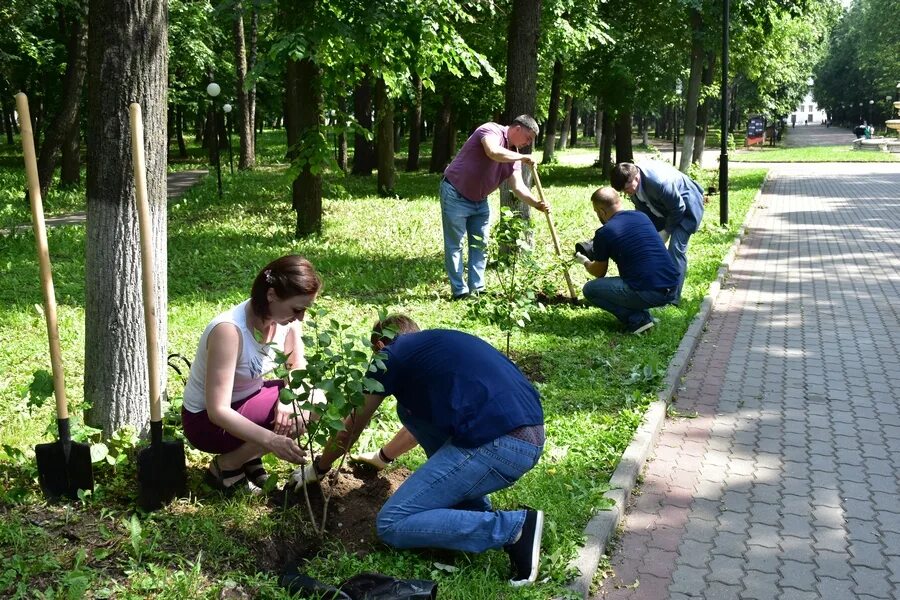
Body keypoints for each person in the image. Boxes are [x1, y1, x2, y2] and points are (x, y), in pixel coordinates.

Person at [293, 315, 546, 586]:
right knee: (408, 408)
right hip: (530, 433)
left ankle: (513, 529)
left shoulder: (389, 356)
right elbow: (417, 426)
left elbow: (351, 428)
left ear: (380, 345)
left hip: (499, 444)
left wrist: (317, 468)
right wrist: (382, 457)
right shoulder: (436, 345)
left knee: (391, 523)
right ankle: (472, 512)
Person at [181, 255, 321, 493]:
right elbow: (218, 412)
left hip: (248, 402)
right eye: (297, 309)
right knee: (306, 408)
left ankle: (246, 457)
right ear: (272, 295)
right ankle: (226, 466)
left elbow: (297, 368)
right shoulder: (229, 331)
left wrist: (289, 398)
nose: (301, 317)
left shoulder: (286, 321)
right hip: (206, 421)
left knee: (314, 400)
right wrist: (271, 441)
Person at [440, 115, 550, 299]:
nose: (527, 144)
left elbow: (518, 187)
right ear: (517, 128)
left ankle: (478, 288)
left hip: (480, 200)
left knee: (480, 244)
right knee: (455, 244)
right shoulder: (491, 130)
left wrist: (537, 204)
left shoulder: (514, 155)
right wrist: (522, 157)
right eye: (528, 138)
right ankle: (459, 291)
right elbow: (492, 151)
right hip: (455, 193)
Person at [574, 187, 680, 334]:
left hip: (650, 291)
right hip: (672, 286)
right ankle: (642, 315)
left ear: (601, 211)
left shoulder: (604, 233)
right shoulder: (641, 216)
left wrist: (584, 261)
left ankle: (638, 319)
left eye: (596, 211)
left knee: (590, 289)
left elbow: (599, 272)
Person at [609, 161, 704, 303]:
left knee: (676, 249)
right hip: (663, 209)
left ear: (636, 178)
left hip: (686, 208)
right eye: (623, 191)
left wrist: (666, 231)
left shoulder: (659, 183)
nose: (627, 193)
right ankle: (654, 285)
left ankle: (673, 298)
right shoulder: (633, 186)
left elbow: (678, 208)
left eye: (627, 189)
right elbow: (643, 209)